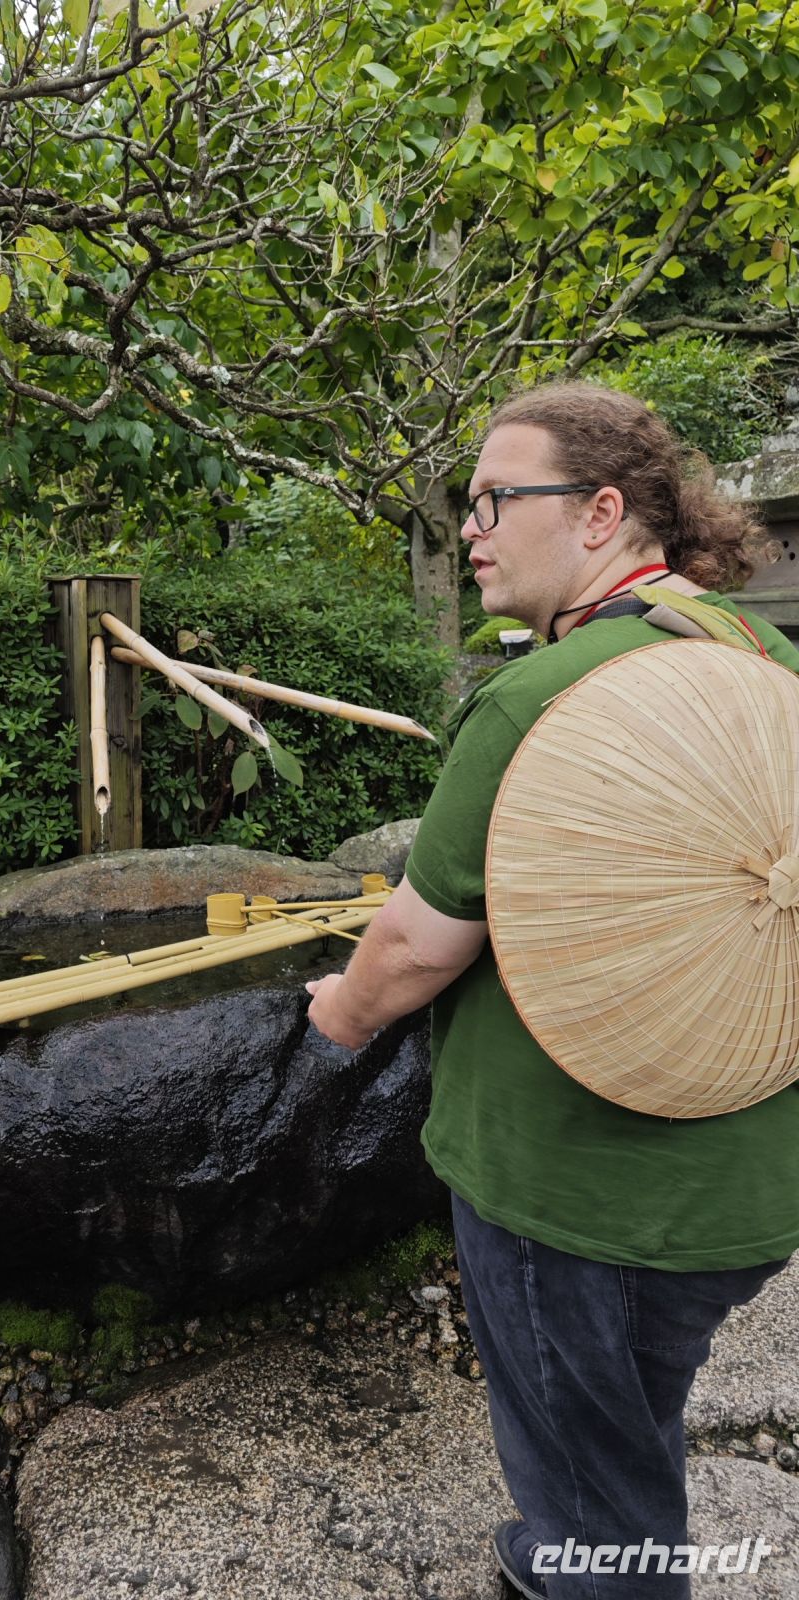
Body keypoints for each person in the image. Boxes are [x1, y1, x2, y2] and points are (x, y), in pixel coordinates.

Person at [305, 381, 799, 1599]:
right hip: (740, 1188)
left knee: (594, 1489)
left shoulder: (537, 699)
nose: (471, 528)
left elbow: (418, 945)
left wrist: (339, 1015)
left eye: (493, 499)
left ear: (601, 514)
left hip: (575, 1201)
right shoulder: (763, 652)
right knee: (630, 1412)